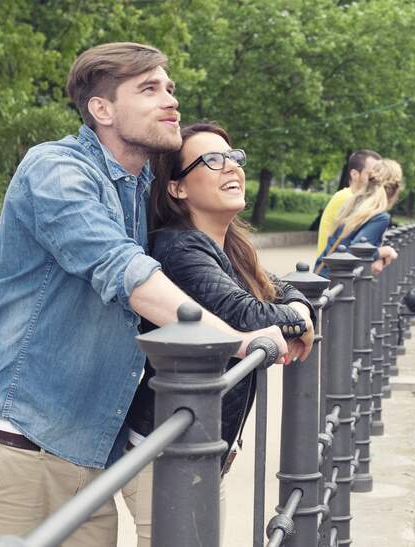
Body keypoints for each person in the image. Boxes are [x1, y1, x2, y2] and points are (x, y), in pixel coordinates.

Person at [0, 43, 287, 547]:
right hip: (18, 442)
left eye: (170, 88)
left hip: (89, 455)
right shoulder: (57, 170)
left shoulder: (139, 184)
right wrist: (235, 341)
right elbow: (125, 272)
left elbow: (209, 252)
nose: (170, 100)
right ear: (101, 109)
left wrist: (288, 301)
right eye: (149, 89)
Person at [120, 122, 315, 545]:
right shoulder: (179, 248)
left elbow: (279, 290)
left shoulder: (230, 247)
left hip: (203, 444)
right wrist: (299, 318)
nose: (232, 167)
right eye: (212, 160)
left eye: (234, 157)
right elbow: (246, 314)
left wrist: (299, 306)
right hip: (168, 451)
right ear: (177, 188)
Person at [314, 159, 404, 277]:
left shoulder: (354, 203)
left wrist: (378, 257)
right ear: (395, 189)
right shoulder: (380, 217)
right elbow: (357, 252)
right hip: (336, 283)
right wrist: (385, 251)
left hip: (323, 275)